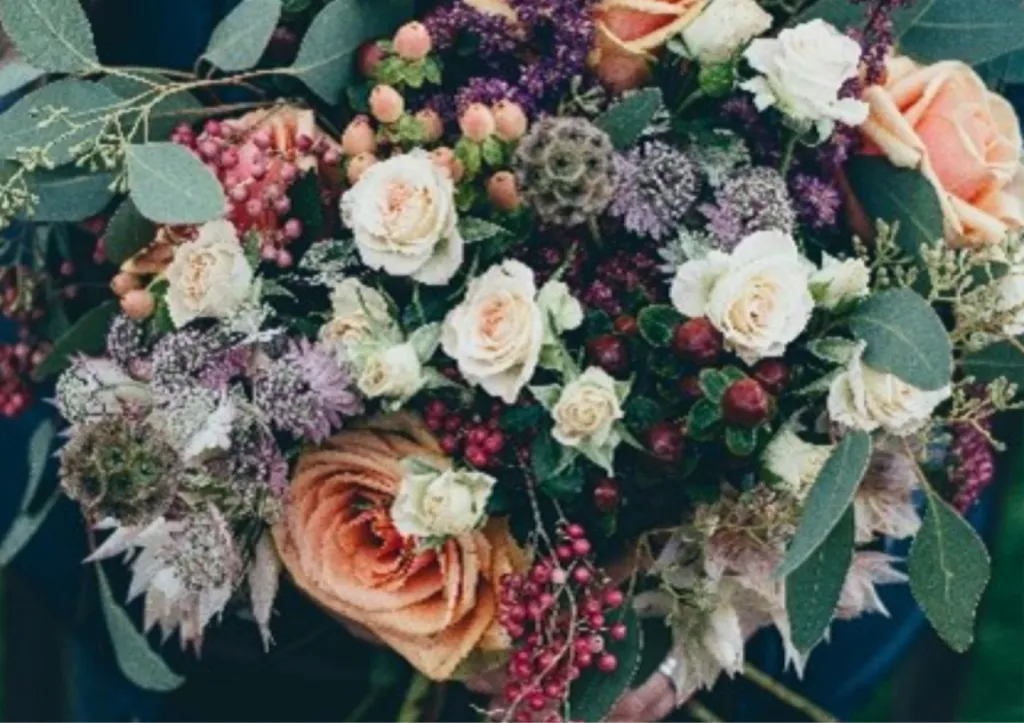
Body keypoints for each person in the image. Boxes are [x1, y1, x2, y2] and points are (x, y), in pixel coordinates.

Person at [0, 1, 1002, 721]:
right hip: (218, 609)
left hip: (722, 614)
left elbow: (928, 252)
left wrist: (685, 595)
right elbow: (41, 125)